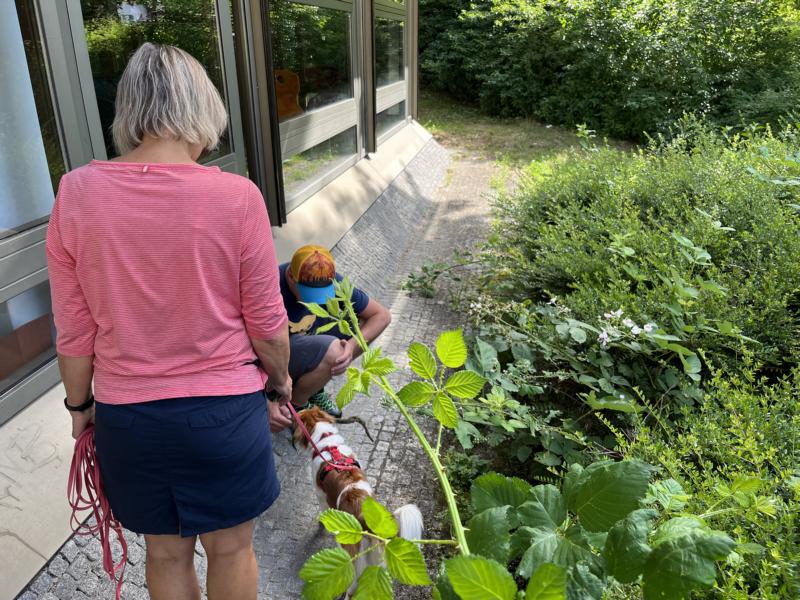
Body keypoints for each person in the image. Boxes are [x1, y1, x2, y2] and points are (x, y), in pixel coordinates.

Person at [46, 43, 290, 600]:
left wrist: (80, 409)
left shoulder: (76, 194)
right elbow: (267, 323)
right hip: (225, 415)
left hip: (130, 421)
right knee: (232, 550)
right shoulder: (238, 197)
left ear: (129, 112)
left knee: (164, 553)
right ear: (202, 110)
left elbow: (75, 332)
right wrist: (279, 381)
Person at [267, 245, 391, 432]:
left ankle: (310, 391)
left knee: (358, 323)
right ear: (291, 277)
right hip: (277, 358)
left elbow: (382, 316)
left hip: (307, 343)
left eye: (321, 294)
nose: (315, 301)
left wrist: (351, 347)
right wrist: (264, 402)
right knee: (334, 351)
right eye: (309, 294)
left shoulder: (329, 279)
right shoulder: (270, 287)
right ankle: (296, 405)